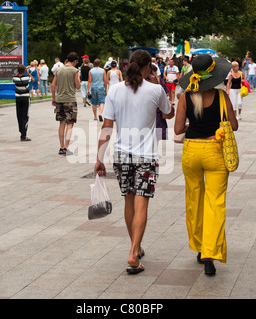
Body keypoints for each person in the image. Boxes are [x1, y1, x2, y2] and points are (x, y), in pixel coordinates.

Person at [94, 49, 173, 275]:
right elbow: (168, 113)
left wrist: (99, 158)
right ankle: (133, 251)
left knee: (129, 202)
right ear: (148, 67)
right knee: (142, 203)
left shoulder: (115, 91)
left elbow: (106, 126)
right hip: (146, 156)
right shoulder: (156, 90)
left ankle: (135, 248)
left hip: (121, 155)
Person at [175, 54, 237, 276]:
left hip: (191, 150)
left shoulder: (185, 97)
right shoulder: (221, 96)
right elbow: (234, 125)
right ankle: (211, 252)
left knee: (194, 199)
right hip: (216, 151)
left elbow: (177, 129)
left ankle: (200, 247)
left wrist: (194, 123)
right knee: (215, 202)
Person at [51, 52, 80, 156]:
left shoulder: (59, 70)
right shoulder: (75, 70)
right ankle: (67, 147)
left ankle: (61, 146)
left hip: (59, 99)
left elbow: (53, 84)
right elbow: (77, 86)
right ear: (75, 61)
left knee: (61, 123)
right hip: (70, 99)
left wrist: (53, 98)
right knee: (70, 123)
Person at [148, 63, 173, 141]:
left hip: (147, 114)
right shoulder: (159, 80)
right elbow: (167, 93)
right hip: (159, 112)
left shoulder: (142, 81)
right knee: (161, 139)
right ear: (153, 71)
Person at [13, 64, 34, 141]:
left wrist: (18, 73)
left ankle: (21, 130)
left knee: (19, 115)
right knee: (25, 116)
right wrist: (27, 73)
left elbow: (15, 77)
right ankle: (24, 135)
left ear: (18, 70)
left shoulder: (15, 78)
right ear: (24, 70)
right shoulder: (27, 78)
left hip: (18, 98)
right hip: (25, 98)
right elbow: (33, 80)